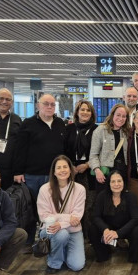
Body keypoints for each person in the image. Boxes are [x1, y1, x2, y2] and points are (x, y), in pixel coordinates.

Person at [13, 93, 67, 248]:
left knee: (54, 208)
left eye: (52, 104)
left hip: (55, 176)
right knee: (31, 210)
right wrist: (18, 171)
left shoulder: (60, 124)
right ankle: (28, 241)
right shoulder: (28, 124)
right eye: (46, 104)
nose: (49, 107)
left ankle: (51, 239)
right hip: (32, 176)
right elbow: (20, 149)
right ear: (38, 105)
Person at [37, 155, 87, 273]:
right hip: (50, 230)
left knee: (77, 265)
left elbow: (78, 216)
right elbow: (44, 216)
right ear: (54, 172)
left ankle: (62, 251)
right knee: (61, 235)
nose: (62, 170)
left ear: (71, 170)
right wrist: (68, 218)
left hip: (74, 230)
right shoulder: (44, 189)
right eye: (59, 168)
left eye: (65, 167)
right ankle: (54, 263)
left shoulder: (80, 189)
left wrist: (60, 222)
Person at [90, 169, 138, 263]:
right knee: (93, 229)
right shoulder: (102, 196)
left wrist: (118, 233)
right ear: (109, 183)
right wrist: (105, 229)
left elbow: (136, 219)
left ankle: (133, 256)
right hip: (109, 229)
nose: (117, 184)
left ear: (123, 182)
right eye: (113, 181)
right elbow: (96, 217)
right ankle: (104, 253)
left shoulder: (131, 196)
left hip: (126, 229)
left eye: (119, 181)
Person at [63, 100, 98, 239]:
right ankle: (74, 233)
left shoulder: (97, 130)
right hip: (71, 171)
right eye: (82, 109)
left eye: (88, 110)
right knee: (73, 204)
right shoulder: (69, 129)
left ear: (92, 113)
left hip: (90, 171)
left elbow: (101, 151)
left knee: (89, 205)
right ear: (77, 112)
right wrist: (70, 166)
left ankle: (89, 236)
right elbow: (63, 150)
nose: (85, 112)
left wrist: (88, 164)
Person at [89, 104, 131, 192]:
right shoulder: (100, 130)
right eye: (118, 115)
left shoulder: (127, 131)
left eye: (124, 116)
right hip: (104, 174)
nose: (121, 118)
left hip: (122, 173)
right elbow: (93, 155)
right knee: (104, 200)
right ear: (112, 115)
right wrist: (97, 170)